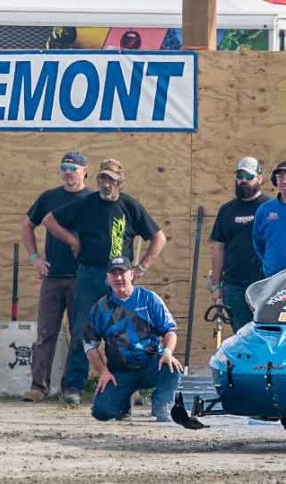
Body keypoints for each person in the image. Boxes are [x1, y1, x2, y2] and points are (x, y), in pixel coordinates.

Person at [43, 158, 166, 406]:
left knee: (125, 332)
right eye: (102, 178)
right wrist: (73, 241)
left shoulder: (130, 205)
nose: (105, 183)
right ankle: (74, 386)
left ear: (120, 181)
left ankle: (128, 386)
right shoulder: (85, 204)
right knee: (82, 328)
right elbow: (49, 220)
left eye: (110, 179)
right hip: (90, 273)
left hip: (121, 277)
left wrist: (141, 267)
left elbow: (158, 237)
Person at [21, 151, 95, 402]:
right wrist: (35, 258)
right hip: (52, 276)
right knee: (45, 332)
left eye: (73, 168)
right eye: (64, 167)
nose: (68, 173)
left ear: (85, 170)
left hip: (82, 277)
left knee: (80, 333)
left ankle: (72, 387)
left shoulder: (93, 199)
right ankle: (38, 387)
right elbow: (27, 225)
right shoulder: (49, 198)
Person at [86, 256, 182, 422]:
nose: (118, 278)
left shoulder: (149, 299)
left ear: (131, 274)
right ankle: (123, 405)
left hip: (151, 364)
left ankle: (161, 404)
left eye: (122, 273)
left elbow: (170, 330)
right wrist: (103, 372)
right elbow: (89, 345)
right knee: (101, 413)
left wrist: (167, 352)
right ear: (108, 278)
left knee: (172, 367)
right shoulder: (100, 307)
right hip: (120, 371)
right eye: (113, 274)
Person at [208, 156, 271, 332]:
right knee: (242, 336)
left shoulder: (270, 208)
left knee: (267, 334)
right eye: (240, 175)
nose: (243, 181)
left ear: (259, 178)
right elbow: (218, 248)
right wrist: (215, 285)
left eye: (249, 177)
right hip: (234, 286)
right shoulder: (226, 210)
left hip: (265, 284)